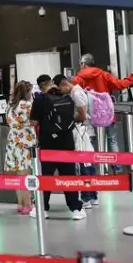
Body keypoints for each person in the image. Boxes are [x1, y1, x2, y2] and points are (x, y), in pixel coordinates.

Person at [29, 75, 86, 220]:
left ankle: (42, 208)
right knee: (69, 176)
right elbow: (74, 116)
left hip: (48, 144)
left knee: (46, 176)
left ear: (41, 86)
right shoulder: (66, 97)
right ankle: (76, 208)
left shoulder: (40, 100)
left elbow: (34, 122)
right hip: (67, 142)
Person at [72, 53, 133, 171]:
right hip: (106, 114)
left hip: (89, 114)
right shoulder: (103, 74)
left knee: (89, 140)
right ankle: (117, 168)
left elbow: (71, 92)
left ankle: (91, 168)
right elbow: (120, 85)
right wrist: (132, 77)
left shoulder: (78, 78)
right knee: (112, 140)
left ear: (83, 64)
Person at [55, 75, 97, 209]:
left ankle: (86, 197)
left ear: (64, 84)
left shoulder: (76, 94)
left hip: (81, 131)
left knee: (83, 164)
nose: (62, 92)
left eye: (61, 89)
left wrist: (69, 118)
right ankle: (92, 195)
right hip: (85, 131)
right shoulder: (78, 91)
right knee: (88, 163)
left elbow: (82, 115)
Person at [4, 81, 36, 214]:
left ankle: (20, 203)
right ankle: (28, 204)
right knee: (26, 174)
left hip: (13, 140)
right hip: (25, 140)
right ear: (27, 92)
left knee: (19, 175)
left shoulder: (10, 106)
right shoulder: (28, 105)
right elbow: (34, 120)